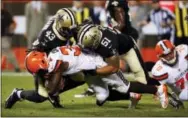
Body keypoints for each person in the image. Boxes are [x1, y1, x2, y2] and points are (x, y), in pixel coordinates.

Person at [5, 45, 168, 109]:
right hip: (84, 70)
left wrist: (53, 92)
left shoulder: (55, 63)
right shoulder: (52, 58)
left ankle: (156, 89)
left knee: (114, 90)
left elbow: (53, 83)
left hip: (93, 67)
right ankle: (17, 94)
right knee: (45, 95)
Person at [1, 3, 20, 72]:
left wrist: (10, 31)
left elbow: (13, 24)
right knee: (6, 53)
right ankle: (16, 67)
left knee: (7, 52)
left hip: (4, 37)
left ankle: (17, 67)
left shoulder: (6, 14)